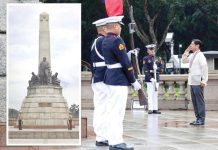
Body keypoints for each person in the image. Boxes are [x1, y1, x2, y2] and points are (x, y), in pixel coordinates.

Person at [102, 16, 141, 150]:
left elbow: (117, 58)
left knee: (112, 111)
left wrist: (127, 54)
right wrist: (133, 80)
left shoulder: (105, 40)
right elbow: (125, 63)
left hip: (110, 78)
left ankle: (114, 140)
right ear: (114, 27)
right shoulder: (117, 40)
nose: (120, 28)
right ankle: (116, 142)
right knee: (117, 113)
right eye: (119, 25)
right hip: (118, 80)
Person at [90, 18, 109, 146]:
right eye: (108, 27)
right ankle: (102, 136)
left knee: (100, 107)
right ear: (103, 29)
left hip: (97, 77)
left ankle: (101, 135)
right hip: (102, 78)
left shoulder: (96, 41)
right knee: (103, 108)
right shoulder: (102, 41)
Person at [182, 39, 208, 125]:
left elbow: (204, 68)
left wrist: (204, 80)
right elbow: (184, 60)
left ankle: (201, 119)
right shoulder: (192, 55)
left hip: (198, 81)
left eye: (192, 44)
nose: (190, 45)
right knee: (194, 101)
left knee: (199, 101)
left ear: (197, 46)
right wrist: (186, 51)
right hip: (192, 81)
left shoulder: (200, 55)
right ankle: (198, 118)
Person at [143, 44, 162, 114]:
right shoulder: (146, 58)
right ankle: (150, 108)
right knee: (150, 94)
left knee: (155, 94)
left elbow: (161, 69)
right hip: (150, 79)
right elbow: (145, 70)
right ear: (148, 51)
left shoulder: (158, 58)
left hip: (156, 77)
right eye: (150, 49)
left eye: (153, 49)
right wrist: (150, 78)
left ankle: (155, 108)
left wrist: (157, 68)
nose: (152, 51)